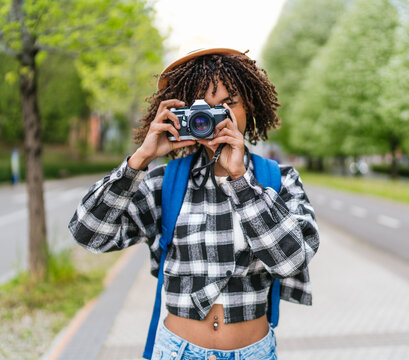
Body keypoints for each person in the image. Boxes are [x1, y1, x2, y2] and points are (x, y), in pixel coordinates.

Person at [68, 47, 320, 360]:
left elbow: (291, 262)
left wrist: (241, 181)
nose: (218, 118)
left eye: (229, 103)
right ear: (184, 116)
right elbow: (88, 234)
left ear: (249, 106)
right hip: (178, 351)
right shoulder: (166, 182)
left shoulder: (278, 179)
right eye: (204, 108)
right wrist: (141, 159)